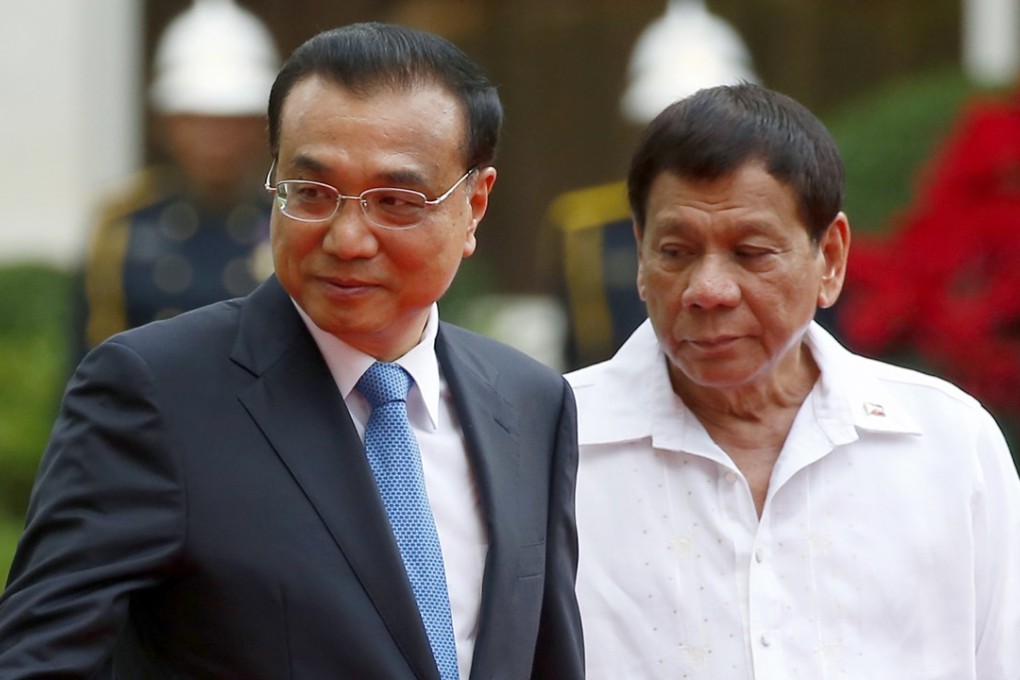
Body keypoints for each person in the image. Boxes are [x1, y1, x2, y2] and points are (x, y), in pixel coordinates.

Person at [0, 22, 583, 679]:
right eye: (311, 193)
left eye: (395, 201)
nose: (348, 238)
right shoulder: (154, 394)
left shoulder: (532, 403)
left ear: (474, 205)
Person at [568, 83, 1020, 679]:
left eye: (751, 253)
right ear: (642, 257)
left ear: (829, 258)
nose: (708, 291)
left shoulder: (947, 444)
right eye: (675, 252)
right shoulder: (554, 445)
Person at [73, 0, 278, 363]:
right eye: (198, 121)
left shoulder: (289, 220)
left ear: (261, 125)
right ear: (166, 125)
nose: (217, 140)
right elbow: (90, 365)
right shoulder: (125, 226)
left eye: (234, 121)